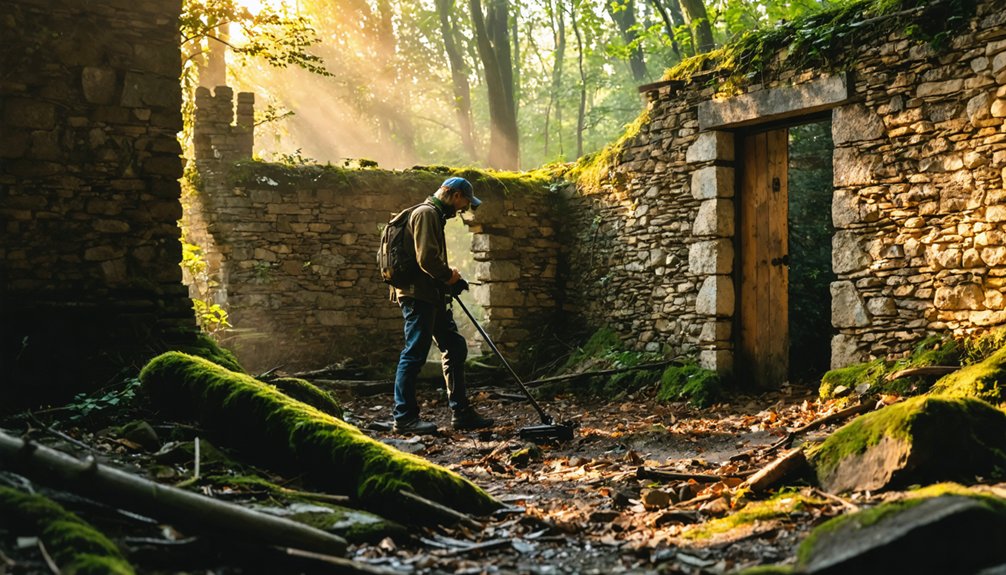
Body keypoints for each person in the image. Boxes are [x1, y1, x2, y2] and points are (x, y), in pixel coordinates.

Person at [390, 176, 495, 434]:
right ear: (455, 195)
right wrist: (450, 276)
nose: (463, 210)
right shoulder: (426, 214)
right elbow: (426, 258)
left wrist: (448, 282)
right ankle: (404, 418)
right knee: (414, 353)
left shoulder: (432, 214)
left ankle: (461, 412)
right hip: (418, 296)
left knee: (455, 346)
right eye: (465, 203)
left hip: (431, 295)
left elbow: (429, 260)